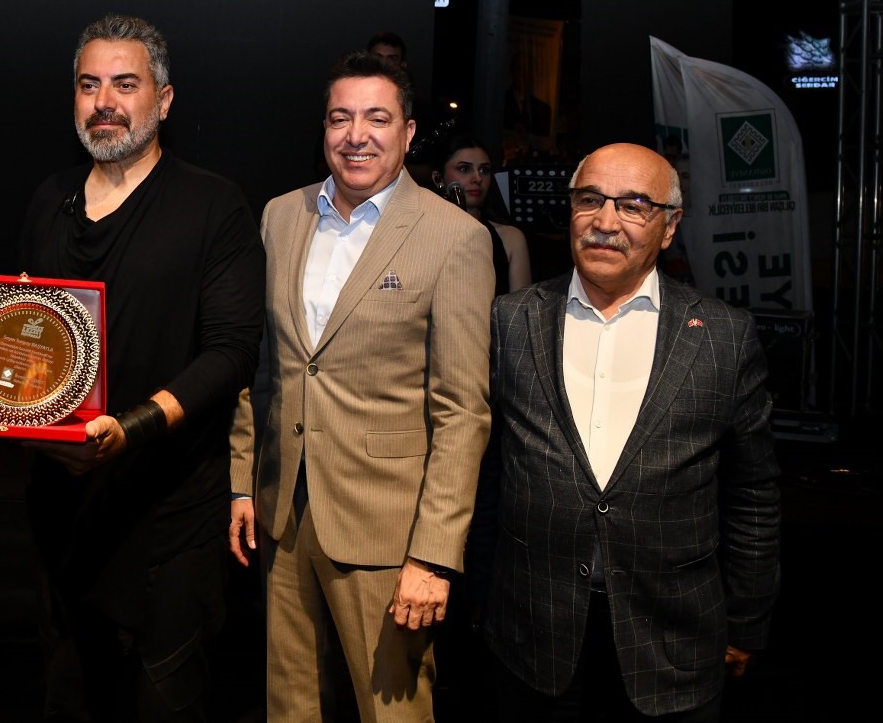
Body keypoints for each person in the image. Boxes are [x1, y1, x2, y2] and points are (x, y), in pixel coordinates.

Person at [228, 51, 495, 722]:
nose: (356, 135)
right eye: (339, 118)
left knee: (391, 712)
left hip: (388, 532)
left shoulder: (455, 238)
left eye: (377, 118)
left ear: (408, 132)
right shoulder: (280, 216)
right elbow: (261, 368)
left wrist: (433, 555)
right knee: (289, 706)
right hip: (283, 516)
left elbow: (462, 411)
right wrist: (242, 483)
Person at [20, 15, 263, 721]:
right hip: (65, 502)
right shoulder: (49, 200)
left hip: (171, 508)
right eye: (89, 84)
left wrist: (131, 428)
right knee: (69, 693)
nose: (105, 102)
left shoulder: (213, 204)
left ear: (164, 99)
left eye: (125, 84)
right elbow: (27, 338)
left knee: (166, 700)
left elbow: (232, 352)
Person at [484, 142, 781, 722]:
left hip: (673, 640)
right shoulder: (511, 321)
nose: (605, 221)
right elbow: (487, 468)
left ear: (669, 227)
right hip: (532, 634)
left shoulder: (724, 337)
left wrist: (747, 620)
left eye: (633, 205)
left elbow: (753, 495)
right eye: (589, 200)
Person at [433, 136, 532, 294]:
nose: (478, 178)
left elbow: (520, 306)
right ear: (438, 178)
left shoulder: (511, 238)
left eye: (484, 170)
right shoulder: (422, 232)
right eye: (464, 169)